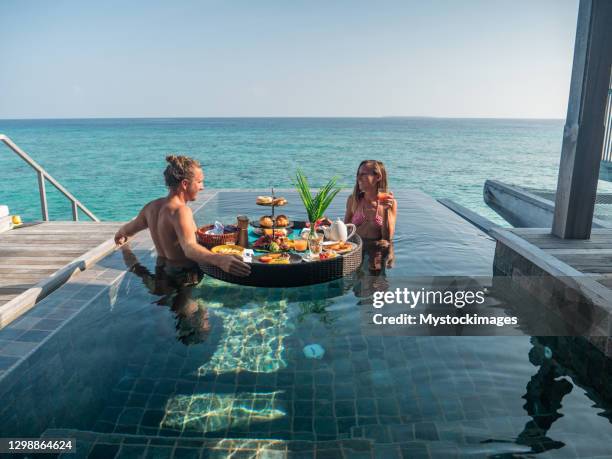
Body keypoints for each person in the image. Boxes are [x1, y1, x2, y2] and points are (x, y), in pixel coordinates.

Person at [114, 155, 251, 278]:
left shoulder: (151, 207)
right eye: (199, 182)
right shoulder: (181, 211)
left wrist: (120, 234)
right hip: (184, 276)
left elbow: (128, 230)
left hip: (162, 271)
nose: (202, 187)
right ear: (185, 184)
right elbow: (189, 248)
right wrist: (219, 260)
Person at [344, 160, 397, 244]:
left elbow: (388, 238)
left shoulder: (390, 203)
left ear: (378, 177)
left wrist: (385, 210)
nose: (358, 178)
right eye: (358, 174)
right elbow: (345, 230)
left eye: (363, 174)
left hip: (377, 251)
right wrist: (332, 225)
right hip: (356, 248)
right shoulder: (353, 200)